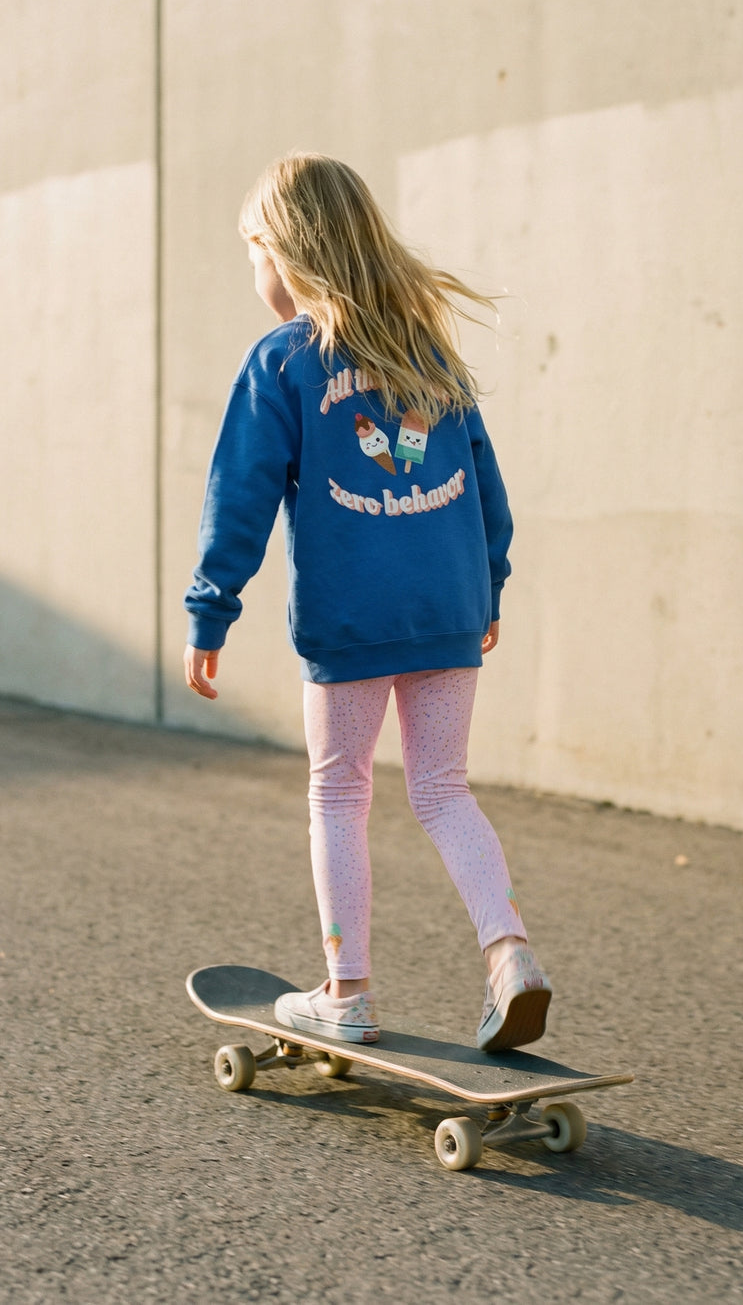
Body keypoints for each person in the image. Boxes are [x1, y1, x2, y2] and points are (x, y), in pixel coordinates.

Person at [184, 153, 551, 1051]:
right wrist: (489, 583)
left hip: (354, 620)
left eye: (254, 253)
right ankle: (512, 956)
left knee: (340, 791)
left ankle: (345, 990)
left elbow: (240, 493)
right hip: (449, 609)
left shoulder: (283, 361)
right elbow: (484, 483)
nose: (255, 276)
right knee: (441, 787)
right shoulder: (427, 353)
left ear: (287, 251)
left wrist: (211, 607)